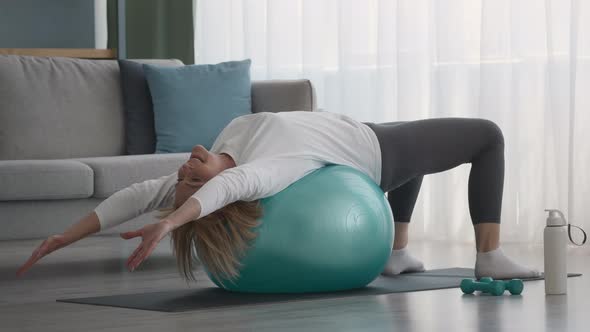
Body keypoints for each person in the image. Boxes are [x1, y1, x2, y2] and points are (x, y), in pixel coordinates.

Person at [16, 110, 540, 283]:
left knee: (419, 147)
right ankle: (488, 256)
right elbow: (227, 188)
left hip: (364, 131)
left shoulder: (223, 152)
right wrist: (174, 224)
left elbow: (132, 195)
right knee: (487, 135)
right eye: (192, 177)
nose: (187, 164)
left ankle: (397, 253)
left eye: (184, 173)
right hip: (379, 153)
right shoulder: (266, 172)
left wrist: (66, 234)